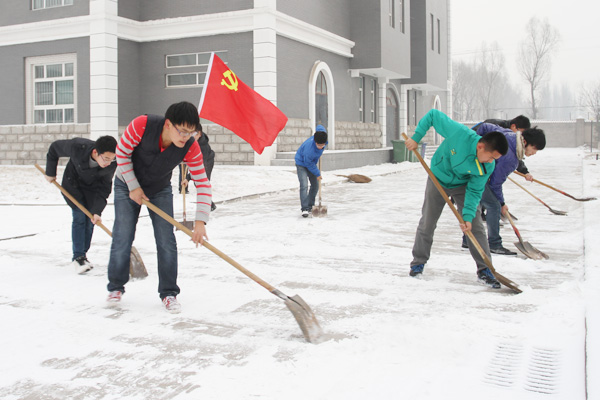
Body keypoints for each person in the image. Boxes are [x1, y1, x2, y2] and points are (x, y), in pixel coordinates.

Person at [106, 101, 212, 313]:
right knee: (123, 234)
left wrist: (200, 221)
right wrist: (134, 187)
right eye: (182, 131)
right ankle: (116, 287)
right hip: (126, 183)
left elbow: (202, 182)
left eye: (190, 132)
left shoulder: (191, 146)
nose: (185, 137)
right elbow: (122, 154)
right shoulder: (142, 125)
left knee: (166, 239)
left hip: (159, 188)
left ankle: (169, 292)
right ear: (168, 124)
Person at [406, 109, 509, 288]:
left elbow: (475, 192)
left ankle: (485, 269)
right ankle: (418, 264)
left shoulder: (487, 166)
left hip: (462, 185)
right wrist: (416, 138)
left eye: (495, 159)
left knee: (475, 225)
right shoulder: (459, 133)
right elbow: (433, 115)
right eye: (491, 157)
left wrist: (467, 217)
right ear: (480, 147)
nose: (491, 161)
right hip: (438, 177)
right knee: (428, 222)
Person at [462, 123, 546, 255]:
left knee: (476, 203)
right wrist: (501, 203)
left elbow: (485, 126)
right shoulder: (510, 159)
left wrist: (474, 145)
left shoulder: (509, 135)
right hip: (476, 174)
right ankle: (494, 244)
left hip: (469, 167)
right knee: (493, 206)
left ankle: (468, 240)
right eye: (534, 148)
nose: (534, 153)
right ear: (525, 142)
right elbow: (495, 184)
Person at [44, 135, 118, 274]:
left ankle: (82, 255)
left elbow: (104, 189)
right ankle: (78, 257)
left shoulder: (112, 163)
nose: (109, 162)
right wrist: (50, 172)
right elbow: (54, 148)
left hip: (92, 190)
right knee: (79, 216)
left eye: (112, 158)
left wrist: (97, 211)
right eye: (106, 158)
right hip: (73, 186)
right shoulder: (78, 147)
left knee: (90, 220)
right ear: (96, 152)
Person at [472, 115, 533, 181]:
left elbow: (515, 155)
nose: (520, 136)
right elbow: (474, 135)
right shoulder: (495, 126)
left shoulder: (512, 139)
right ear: (513, 126)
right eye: (520, 133)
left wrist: (525, 171)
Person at [178, 126, 217, 211]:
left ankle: (208, 205)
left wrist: (188, 178)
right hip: (198, 162)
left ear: (199, 134)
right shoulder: (192, 141)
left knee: (201, 182)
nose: (190, 136)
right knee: (199, 182)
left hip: (207, 162)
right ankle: (209, 204)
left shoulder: (203, 147)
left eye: (193, 134)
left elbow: (200, 167)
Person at [294, 124, 328, 217]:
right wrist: (317, 173)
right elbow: (308, 164)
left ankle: (310, 205)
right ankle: (304, 208)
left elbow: (320, 128)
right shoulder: (309, 148)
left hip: (311, 163)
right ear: (315, 142)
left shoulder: (322, 137)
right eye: (318, 145)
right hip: (302, 163)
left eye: (322, 145)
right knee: (304, 185)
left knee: (315, 185)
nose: (320, 147)